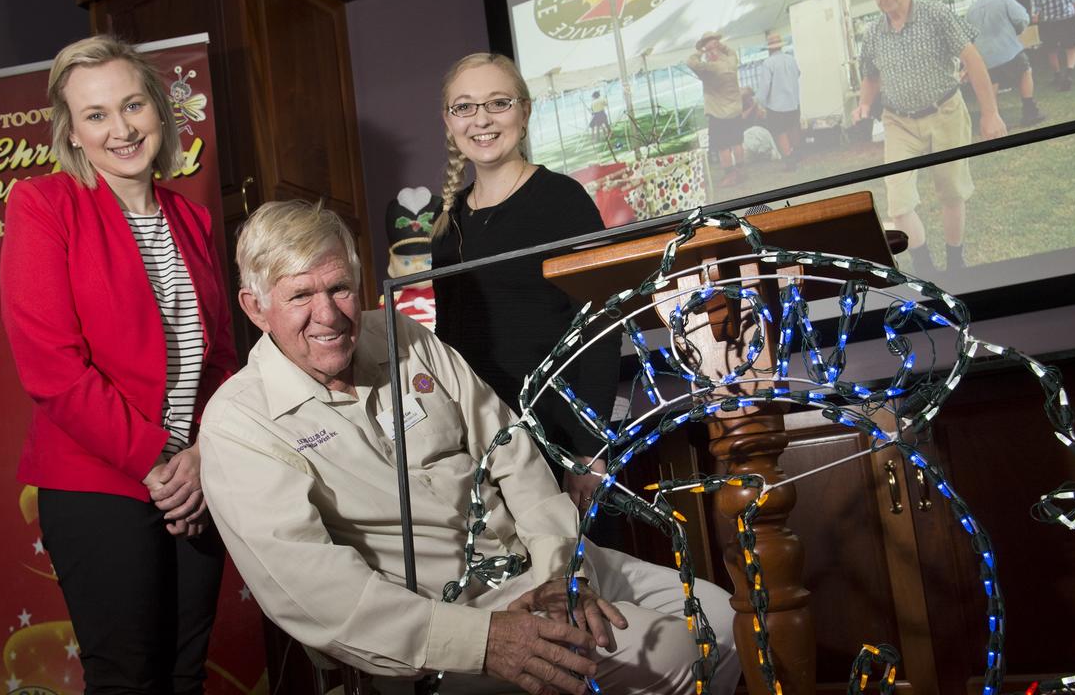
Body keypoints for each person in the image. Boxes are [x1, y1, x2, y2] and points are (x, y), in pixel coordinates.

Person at [198, 199, 740, 695]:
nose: (330, 314)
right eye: (300, 296)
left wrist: (559, 573)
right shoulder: (240, 424)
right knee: (682, 650)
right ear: (255, 307)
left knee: (729, 619)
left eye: (339, 287)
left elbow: (511, 452)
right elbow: (319, 595)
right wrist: (483, 640)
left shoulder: (401, 335)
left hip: (549, 560)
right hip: (451, 624)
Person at [0, 35, 237, 694]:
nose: (121, 128)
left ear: (160, 110)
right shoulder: (44, 205)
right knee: (129, 677)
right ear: (71, 131)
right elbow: (51, 368)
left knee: (187, 673)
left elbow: (218, 359)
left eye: (132, 105)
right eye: (96, 114)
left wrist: (200, 458)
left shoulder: (190, 219)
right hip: (97, 484)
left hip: (194, 476)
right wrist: (161, 462)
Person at [429, 53, 620, 521]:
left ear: (525, 111)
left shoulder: (562, 200)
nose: (482, 120)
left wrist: (588, 448)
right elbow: (449, 343)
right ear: (448, 122)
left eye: (498, 102)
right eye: (465, 107)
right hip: (483, 448)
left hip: (556, 442)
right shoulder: (445, 224)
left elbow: (601, 323)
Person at [853, 0, 1008, 276]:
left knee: (952, 192)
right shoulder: (873, 33)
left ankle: (955, 261)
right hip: (898, 122)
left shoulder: (937, 14)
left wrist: (990, 113)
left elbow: (973, 60)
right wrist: (863, 103)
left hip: (945, 112)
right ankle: (926, 268)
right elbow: (871, 76)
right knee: (898, 204)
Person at [966, 0, 1046, 126]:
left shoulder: (970, 10)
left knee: (992, 84)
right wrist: (1017, 31)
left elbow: (968, 36)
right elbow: (1022, 18)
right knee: (1025, 71)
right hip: (1009, 49)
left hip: (985, 57)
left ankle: (995, 119)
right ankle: (1030, 111)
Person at [688, 31, 747, 188]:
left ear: (710, 53)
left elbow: (691, 62)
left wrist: (700, 52)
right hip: (735, 109)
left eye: (707, 52)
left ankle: (730, 175)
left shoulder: (709, 68)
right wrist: (722, 47)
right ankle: (741, 171)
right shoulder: (730, 62)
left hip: (718, 113)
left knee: (723, 146)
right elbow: (732, 53)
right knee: (737, 143)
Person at [756, 33, 803, 170]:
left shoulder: (768, 63)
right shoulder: (791, 59)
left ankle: (789, 160)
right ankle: (797, 153)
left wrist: (761, 103)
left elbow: (765, 86)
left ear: (769, 48)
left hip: (777, 105)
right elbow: (799, 74)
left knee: (780, 131)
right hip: (793, 101)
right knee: (793, 127)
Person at [1031, 0, 1075, 91]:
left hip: (1049, 24)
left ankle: (1057, 75)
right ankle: (1069, 74)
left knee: (1052, 51)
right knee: (1070, 49)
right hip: (1068, 21)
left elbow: (1035, 18)